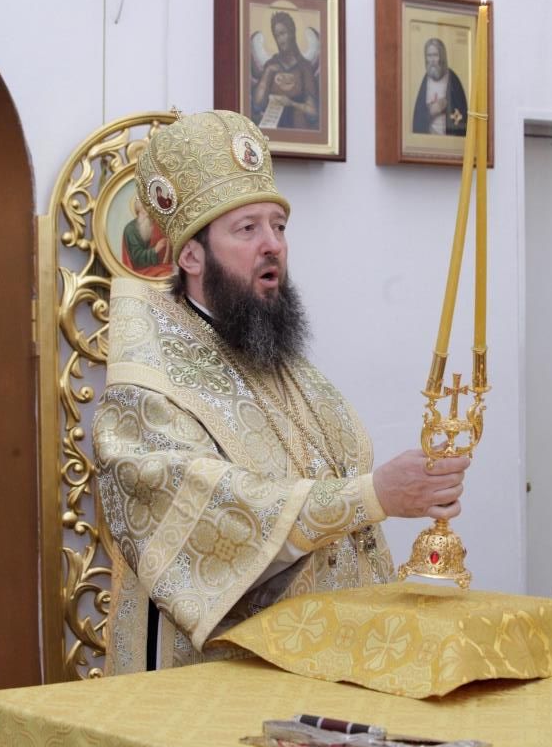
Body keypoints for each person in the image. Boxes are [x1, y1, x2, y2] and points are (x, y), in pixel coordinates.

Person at [93, 110, 469, 674]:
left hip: (325, 663)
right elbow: (214, 523)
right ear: (191, 256)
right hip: (214, 678)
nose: (273, 245)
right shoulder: (149, 386)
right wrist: (375, 495)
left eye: (280, 226)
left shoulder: (279, 359)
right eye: (247, 229)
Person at [252, 11, 319, 129]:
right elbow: (257, 105)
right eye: (276, 36)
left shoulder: (304, 68)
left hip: (298, 130)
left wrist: (291, 103)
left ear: (292, 32)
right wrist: (268, 72)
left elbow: (313, 113)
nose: (280, 39)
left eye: (283, 33)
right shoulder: (271, 65)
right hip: (272, 129)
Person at [412, 37, 468, 136]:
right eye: (429, 56)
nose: (432, 60)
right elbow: (418, 120)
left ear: (442, 57)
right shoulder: (425, 81)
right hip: (428, 139)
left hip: (449, 139)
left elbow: (462, 118)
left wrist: (447, 106)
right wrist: (431, 111)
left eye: (435, 55)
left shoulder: (453, 80)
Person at [121, 194, 172, 277]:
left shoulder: (154, 223)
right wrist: (156, 249)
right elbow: (136, 259)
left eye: (150, 209)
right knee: (166, 275)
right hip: (140, 271)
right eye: (145, 210)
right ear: (139, 211)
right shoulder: (130, 229)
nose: (149, 213)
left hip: (158, 266)